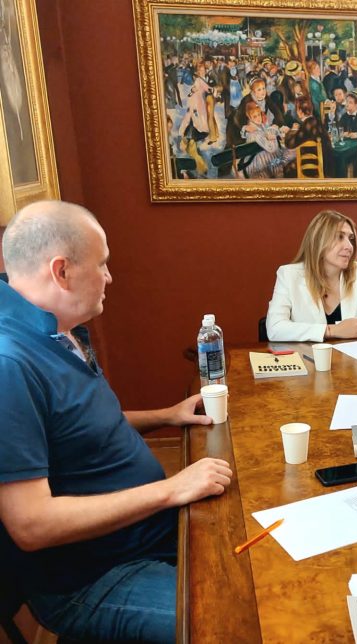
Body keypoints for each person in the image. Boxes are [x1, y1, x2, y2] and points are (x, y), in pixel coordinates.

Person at [0, 201, 233, 642]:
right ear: (62, 271)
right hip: (97, 577)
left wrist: (167, 415)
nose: (109, 277)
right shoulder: (10, 363)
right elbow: (32, 524)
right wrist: (170, 489)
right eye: (102, 264)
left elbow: (76, 426)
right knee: (235, 624)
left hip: (149, 531)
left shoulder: (58, 327)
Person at [266, 209, 357, 342]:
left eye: (350, 238)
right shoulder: (289, 275)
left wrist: (348, 330)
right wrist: (333, 330)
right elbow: (275, 328)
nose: (349, 246)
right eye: (339, 237)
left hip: (352, 355)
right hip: (309, 355)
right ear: (318, 241)